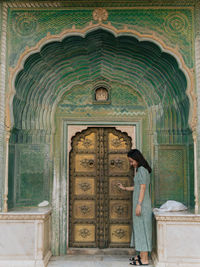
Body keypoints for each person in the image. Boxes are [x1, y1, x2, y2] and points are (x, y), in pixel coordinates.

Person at [118, 149, 152, 266]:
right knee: (140, 230)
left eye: (132, 161)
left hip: (142, 206)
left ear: (137, 159)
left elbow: (142, 188)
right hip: (140, 205)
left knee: (142, 231)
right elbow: (137, 187)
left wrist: (139, 205)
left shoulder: (142, 170)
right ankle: (142, 256)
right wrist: (125, 188)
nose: (131, 163)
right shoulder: (141, 170)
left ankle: (145, 259)